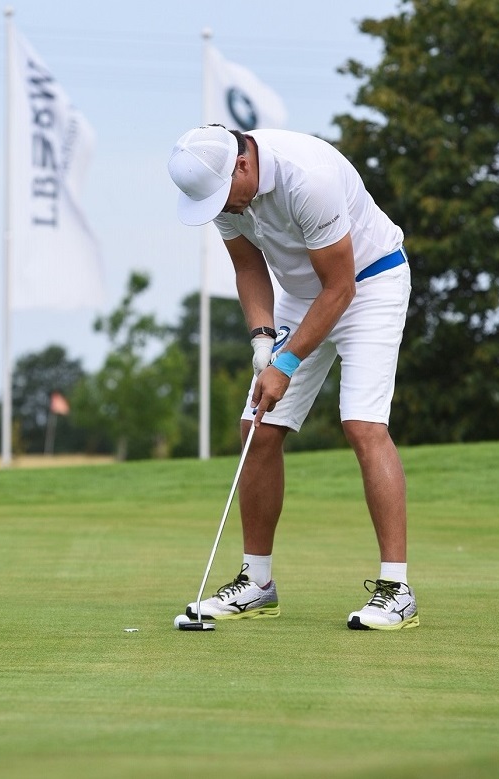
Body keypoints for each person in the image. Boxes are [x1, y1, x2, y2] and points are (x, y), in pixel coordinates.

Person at [167, 124, 419, 630]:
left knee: (363, 425)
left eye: (223, 197)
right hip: (305, 295)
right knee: (257, 428)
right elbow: (248, 268)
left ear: (242, 165)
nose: (223, 207)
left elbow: (340, 286)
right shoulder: (226, 194)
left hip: (369, 283)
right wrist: (264, 340)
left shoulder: (309, 176)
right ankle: (257, 583)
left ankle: (397, 590)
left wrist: (286, 363)